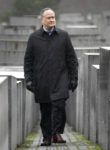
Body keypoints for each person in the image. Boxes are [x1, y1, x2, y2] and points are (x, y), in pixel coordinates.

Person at [24, 8, 78, 146]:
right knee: (46, 109)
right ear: (42, 19)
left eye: (53, 17)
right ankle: (47, 137)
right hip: (41, 80)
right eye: (48, 18)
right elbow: (28, 60)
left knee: (59, 106)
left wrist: (73, 78)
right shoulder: (34, 37)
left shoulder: (63, 36)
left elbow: (71, 59)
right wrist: (28, 79)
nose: (52, 20)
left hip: (60, 78)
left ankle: (56, 132)